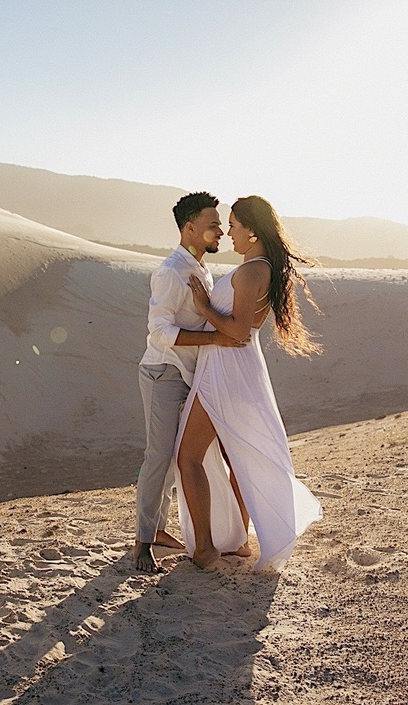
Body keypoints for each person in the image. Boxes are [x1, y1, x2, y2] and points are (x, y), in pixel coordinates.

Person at [174, 195, 324, 571]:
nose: (229, 232)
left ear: (253, 230)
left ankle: (206, 549)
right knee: (237, 453)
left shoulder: (252, 270)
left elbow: (239, 331)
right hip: (237, 369)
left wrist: (205, 306)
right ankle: (239, 538)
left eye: (235, 226)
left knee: (187, 456)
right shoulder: (257, 268)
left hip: (225, 369)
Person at [134, 192, 249, 573]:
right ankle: (143, 542)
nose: (220, 230)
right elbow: (160, 331)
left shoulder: (201, 269)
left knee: (177, 455)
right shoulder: (170, 272)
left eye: (220, 224)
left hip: (191, 374)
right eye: (213, 225)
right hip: (164, 373)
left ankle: (162, 530)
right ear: (189, 229)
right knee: (159, 457)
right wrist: (216, 338)